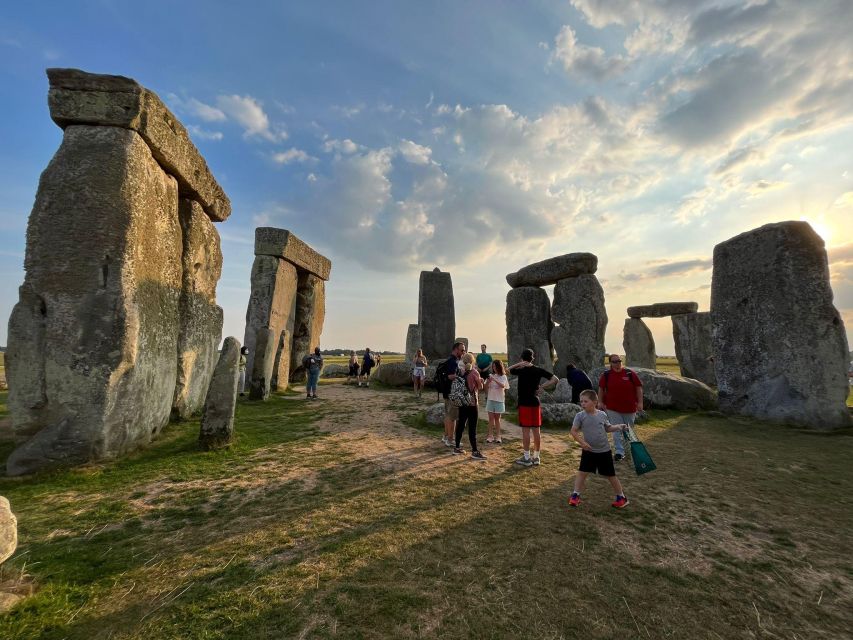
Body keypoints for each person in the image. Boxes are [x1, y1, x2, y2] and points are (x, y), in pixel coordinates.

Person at [568, 389, 630, 508]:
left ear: (595, 402)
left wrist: (619, 427)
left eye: (586, 401)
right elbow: (573, 431)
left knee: (611, 475)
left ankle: (621, 498)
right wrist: (582, 443)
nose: (583, 404)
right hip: (589, 451)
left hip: (604, 451)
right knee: (582, 473)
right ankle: (575, 496)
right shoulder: (580, 416)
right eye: (581, 401)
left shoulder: (602, 414)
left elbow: (608, 428)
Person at [508, 348, 559, 466]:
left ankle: (526, 458)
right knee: (537, 431)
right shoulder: (538, 370)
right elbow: (555, 379)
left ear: (522, 358)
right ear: (533, 358)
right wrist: (542, 387)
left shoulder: (521, 370)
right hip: (535, 403)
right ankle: (536, 457)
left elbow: (506, 370)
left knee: (526, 431)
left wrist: (520, 364)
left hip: (524, 403)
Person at [597, 354, 643, 462]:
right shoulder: (606, 375)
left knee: (628, 430)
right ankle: (619, 452)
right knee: (616, 430)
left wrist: (640, 402)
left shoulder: (630, 373)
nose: (618, 363)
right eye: (615, 361)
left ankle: (630, 451)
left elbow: (639, 388)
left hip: (630, 408)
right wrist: (600, 402)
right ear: (610, 364)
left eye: (619, 361)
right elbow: (601, 389)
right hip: (613, 408)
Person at [453, 353, 486, 460]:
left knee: (461, 425)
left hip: (462, 402)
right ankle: (475, 451)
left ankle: (457, 447)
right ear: (472, 361)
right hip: (472, 403)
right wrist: (481, 381)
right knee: (472, 428)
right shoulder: (474, 372)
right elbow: (480, 387)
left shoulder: (460, 372)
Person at [440, 341, 467, 447]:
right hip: (453, 392)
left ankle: (446, 436)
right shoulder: (453, 361)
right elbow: (450, 376)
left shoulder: (451, 360)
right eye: (462, 350)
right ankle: (451, 440)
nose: (464, 352)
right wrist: (461, 375)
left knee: (447, 415)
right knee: (453, 417)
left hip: (447, 391)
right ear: (456, 350)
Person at [484, 360, 509, 443]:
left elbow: (503, 386)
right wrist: (488, 381)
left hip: (499, 400)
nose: (494, 368)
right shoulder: (491, 375)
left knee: (497, 419)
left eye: (495, 366)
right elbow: (485, 387)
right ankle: (490, 436)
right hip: (490, 399)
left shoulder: (503, 377)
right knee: (490, 419)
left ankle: (498, 436)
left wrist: (494, 379)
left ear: (499, 367)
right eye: (493, 367)